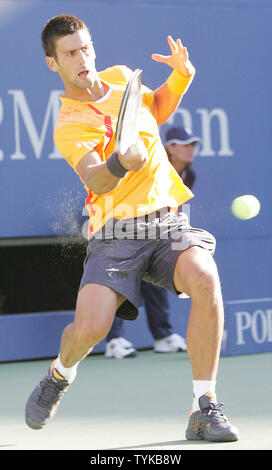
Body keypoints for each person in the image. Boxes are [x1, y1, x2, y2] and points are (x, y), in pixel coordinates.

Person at [25, 14, 239, 442]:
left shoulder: (124, 80)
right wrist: (121, 160)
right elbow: (96, 179)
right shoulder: (69, 125)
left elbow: (156, 108)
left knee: (205, 276)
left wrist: (180, 78)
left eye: (86, 47)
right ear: (54, 64)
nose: (82, 57)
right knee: (89, 330)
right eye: (70, 53)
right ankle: (59, 374)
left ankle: (204, 406)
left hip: (165, 220)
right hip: (115, 234)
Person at [105, 125, 200, 359]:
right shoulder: (154, 164)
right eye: (184, 145)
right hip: (119, 219)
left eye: (192, 145)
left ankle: (163, 337)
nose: (190, 150)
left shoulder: (189, 174)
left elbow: (175, 206)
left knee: (156, 279)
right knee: (122, 278)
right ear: (170, 148)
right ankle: (114, 340)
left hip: (156, 226)